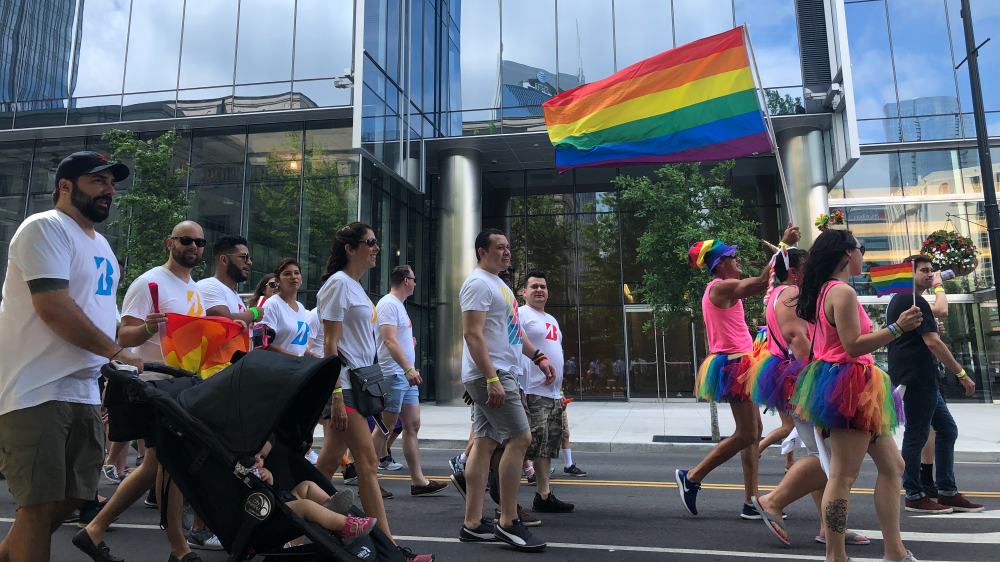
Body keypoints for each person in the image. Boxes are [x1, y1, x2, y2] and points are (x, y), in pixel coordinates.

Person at [0, 151, 141, 562]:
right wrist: (115, 351)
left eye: (112, 183)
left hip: (83, 390)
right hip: (35, 388)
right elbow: (54, 307)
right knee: (38, 507)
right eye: (98, 181)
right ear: (66, 186)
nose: (109, 191)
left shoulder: (104, 249)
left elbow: (105, 320)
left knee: (73, 498)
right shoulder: (45, 227)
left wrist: (135, 338)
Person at [76, 220, 212, 562]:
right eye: (186, 240)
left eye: (199, 242)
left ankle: (95, 530)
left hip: (181, 388)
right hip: (155, 389)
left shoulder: (193, 288)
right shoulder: (149, 282)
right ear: (170, 243)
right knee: (168, 467)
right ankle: (179, 548)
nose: (193, 247)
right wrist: (148, 328)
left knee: (156, 467)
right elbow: (122, 336)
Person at [788, 229, 922, 562]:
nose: (864, 255)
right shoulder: (842, 292)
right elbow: (852, 346)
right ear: (848, 253)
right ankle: (836, 556)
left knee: (893, 466)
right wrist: (897, 328)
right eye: (861, 249)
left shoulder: (822, 291)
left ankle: (895, 552)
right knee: (843, 476)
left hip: (847, 385)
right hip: (849, 386)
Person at [313, 222, 433, 562]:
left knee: (329, 461)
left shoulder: (355, 288)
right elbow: (330, 344)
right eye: (370, 242)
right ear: (351, 249)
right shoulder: (338, 284)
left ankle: (295, 517)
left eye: (376, 242)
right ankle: (390, 549)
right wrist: (335, 394)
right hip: (345, 386)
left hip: (359, 385)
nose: (376, 247)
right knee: (367, 461)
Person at [676, 224, 800, 519]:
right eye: (734, 257)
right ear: (720, 265)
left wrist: (783, 254)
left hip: (741, 361)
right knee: (747, 434)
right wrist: (782, 247)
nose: (739, 260)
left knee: (754, 432)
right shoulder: (720, 286)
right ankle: (692, 476)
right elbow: (760, 283)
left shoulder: (722, 287)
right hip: (734, 364)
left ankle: (750, 501)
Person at [748, 248, 869, 546]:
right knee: (826, 456)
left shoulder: (781, 293)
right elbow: (798, 339)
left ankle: (827, 528)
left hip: (796, 379)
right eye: (807, 266)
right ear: (794, 272)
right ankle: (774, 501)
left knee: (823, 453)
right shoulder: (791, 294)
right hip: (802, 379)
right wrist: (817, 382)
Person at [458, 229, 556, 551]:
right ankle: (508, 521)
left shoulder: (500, 285)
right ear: (481, 252)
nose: (507, 252)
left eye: (508, 247)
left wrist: (539, 357)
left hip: (502, 370)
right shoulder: (477, 283)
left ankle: (472, 523)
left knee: (485, 443)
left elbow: (513, 334)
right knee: (521, 438)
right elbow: (473, 334)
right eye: (499, 247)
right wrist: (490, 378)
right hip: (495, 373)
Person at [888, 255, 981, 514]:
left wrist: (931, 330)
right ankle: (915, 495)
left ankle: (947, 492)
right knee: (917, 435)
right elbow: (932, 342)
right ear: (911, 274)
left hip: (924, 377)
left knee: (947, 430)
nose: (931, 275)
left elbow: (924, 336)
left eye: (932, 270)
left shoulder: (910, 300)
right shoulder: (910, 299)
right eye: (924, 271)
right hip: (916, 377)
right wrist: (961, 373)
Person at [373, 265, 448, 497]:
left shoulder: (399, 307)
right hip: (394, 375)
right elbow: (388, 340)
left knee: (412, 425)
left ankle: (418, 481)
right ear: (406, 281)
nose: (416, 283)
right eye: (414, 279)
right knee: (384, 428)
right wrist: (408, 369)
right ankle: (370, 481)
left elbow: (396, 339)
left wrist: (408, 348)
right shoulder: (387, 303)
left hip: (404, 375)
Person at [518, 270, 574, 513]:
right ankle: (496, 489)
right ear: (524, 292)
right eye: (534, 286)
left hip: (552, 393)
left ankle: (543, 495)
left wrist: (559, 390)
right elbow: (513, 342)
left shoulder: (551, 319)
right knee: (527, 443)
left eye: (543, 286)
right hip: (531, 389)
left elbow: (556, 353)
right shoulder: (521, 313)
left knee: (547, 446)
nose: (539, 290)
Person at [254, 438, 376, 544]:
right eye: (256, 454)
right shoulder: (240, 473)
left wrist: (269, 478)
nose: (258, 460)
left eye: (262, 457)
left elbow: (270, 490)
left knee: (306, 486)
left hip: (277, 505)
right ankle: (346, 527)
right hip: (266, 518)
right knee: (305, 505)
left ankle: (328, 505)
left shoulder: (258, 472)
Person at [261, 258, 317, 357]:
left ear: (301, 279)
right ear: (277, 281)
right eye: (287, 274)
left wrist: (311, 356)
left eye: (297, 273)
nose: (293, 277)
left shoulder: (300, 307)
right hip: (278, 368)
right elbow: (263, 343)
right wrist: (295, 357)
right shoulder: (272, 305)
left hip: (298, 368)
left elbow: (298, 346)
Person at [198, 235, 257, 326]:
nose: (249, 262)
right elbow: (224, 321)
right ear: (224, 260)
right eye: (244, 257)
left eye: (250, 258)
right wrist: (254, 313)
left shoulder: (234, 294)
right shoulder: (208, 286)